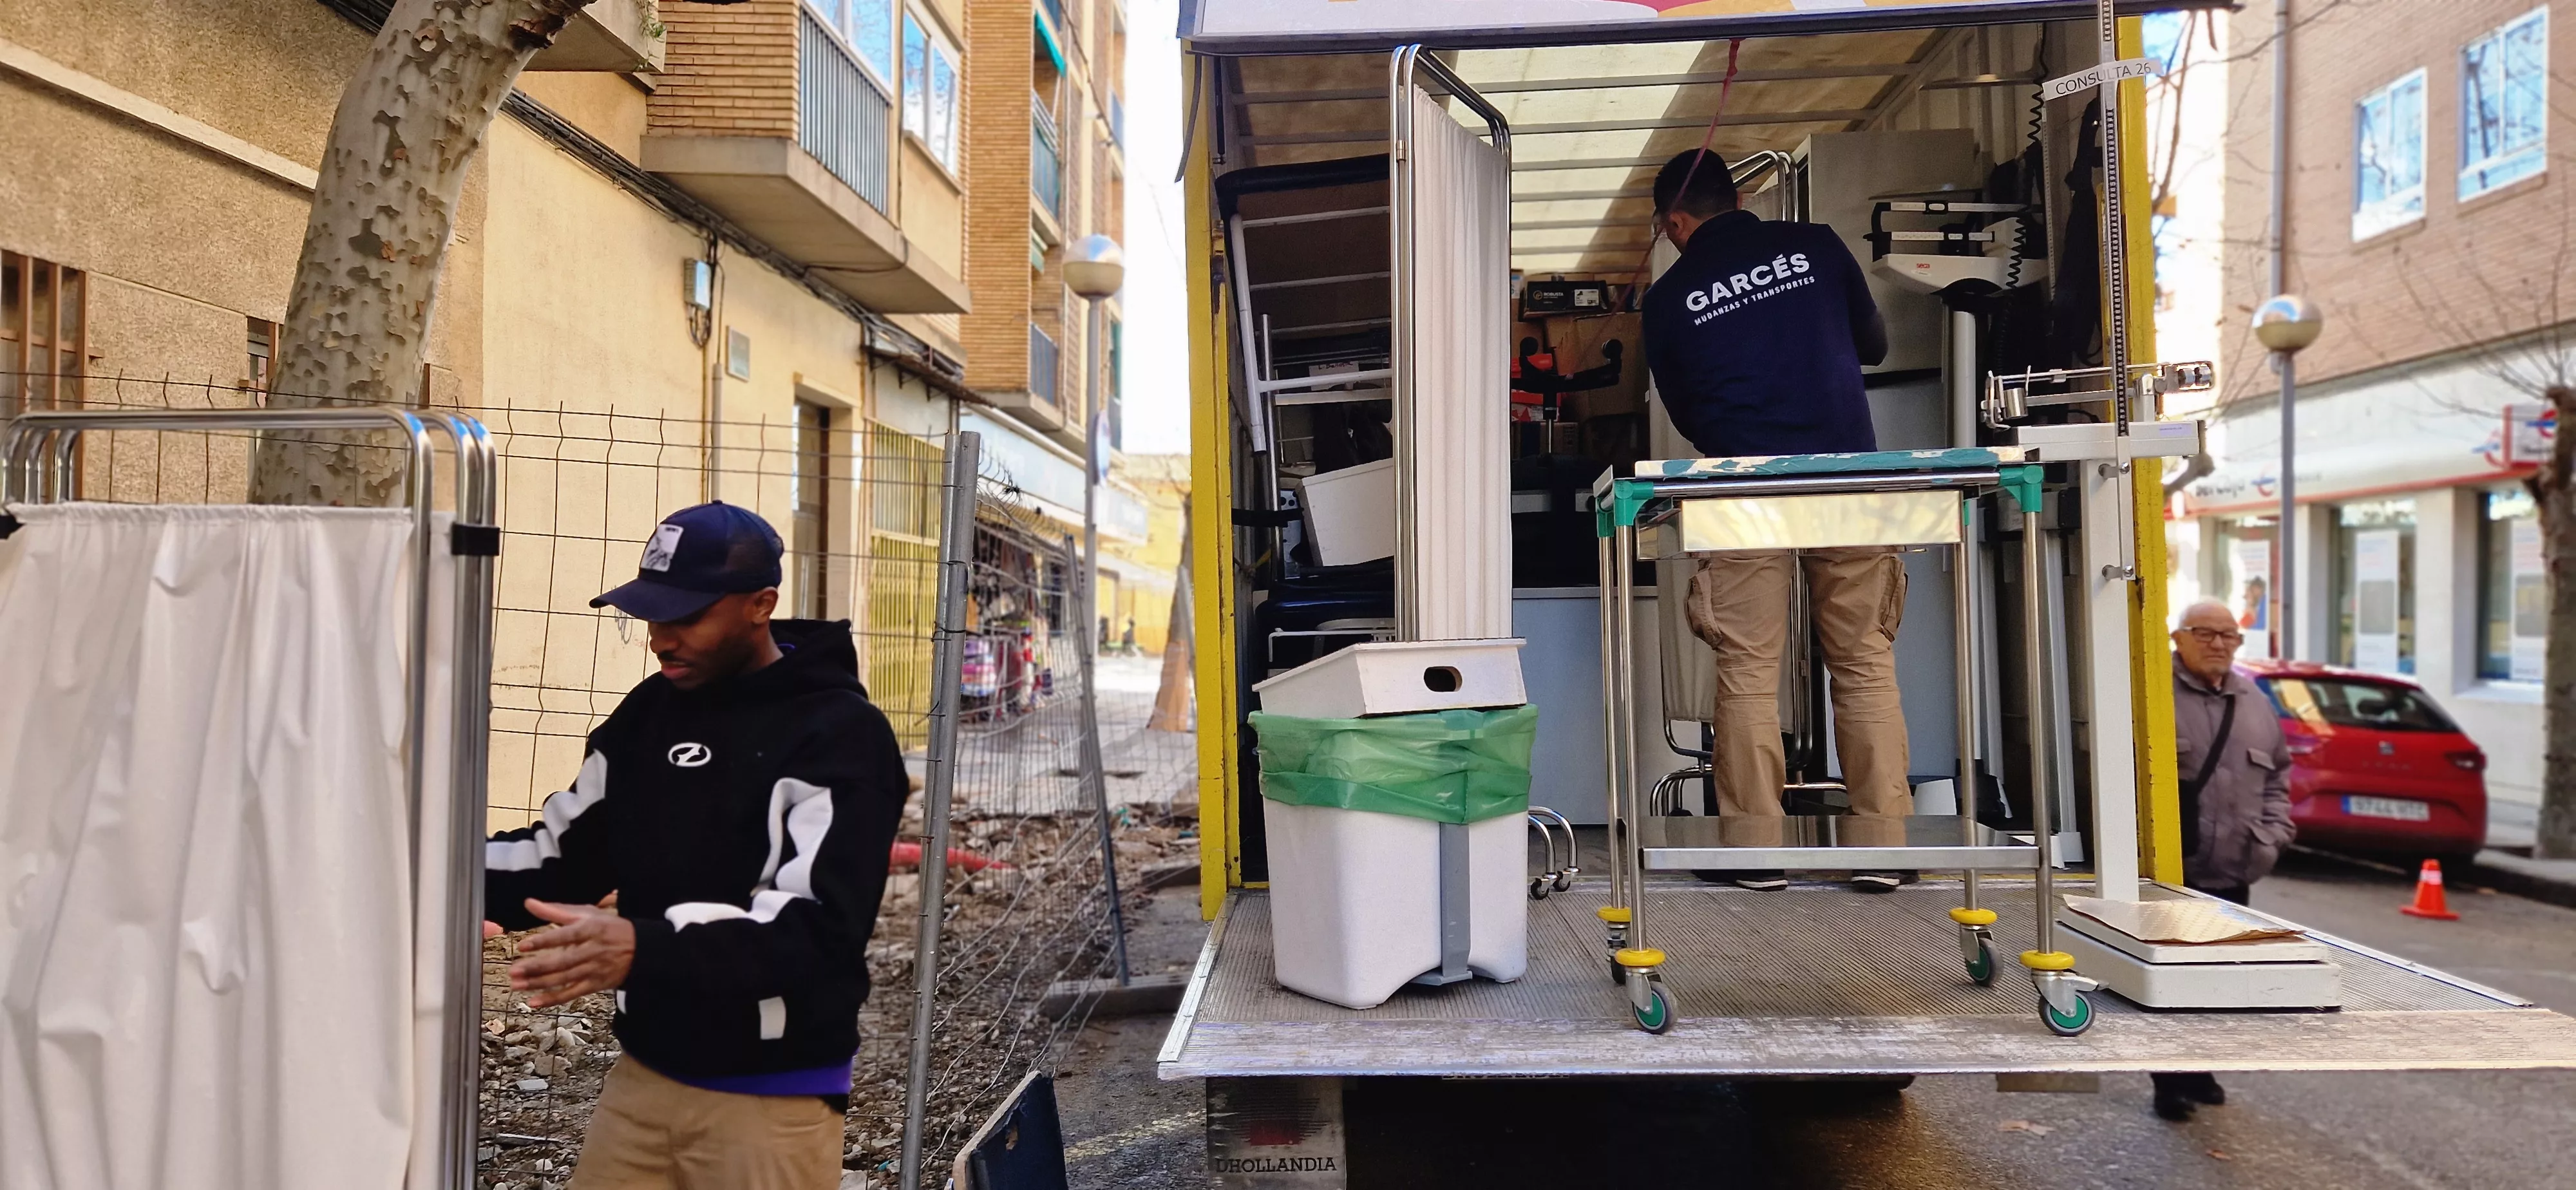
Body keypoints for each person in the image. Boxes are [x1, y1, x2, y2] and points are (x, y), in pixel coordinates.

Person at [482, 501, 909, 1189]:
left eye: (685, 618)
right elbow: (558, 859)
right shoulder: (648, 714)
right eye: (652, 616)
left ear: (759, 605)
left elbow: (815, 930)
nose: (660, 639)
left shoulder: (837, 734)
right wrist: (426, 870)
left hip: (773, 1094)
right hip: (643, 1079)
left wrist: (642, 947)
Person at [1638, 147, 1907, 894]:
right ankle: (1881, 847)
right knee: (1861, 660)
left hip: (1742, 487)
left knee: (1748, 670)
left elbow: (1689, 414)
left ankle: (1755, 852)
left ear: (1676, 222)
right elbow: (1874, 345)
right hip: (1848, 479)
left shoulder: (1666, 301)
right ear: (1738, 199)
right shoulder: (1816, 247)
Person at [2154, 598, 2297, 1122]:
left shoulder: (2254, 700)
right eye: (2205, 633)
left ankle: (2203, 1067)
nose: (2218, 644)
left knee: (2220, 977)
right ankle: (2168, 1082)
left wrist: (2273, 837)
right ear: (2178, 638)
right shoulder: (2154, 692)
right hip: (2173, 873)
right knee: (2169, 977)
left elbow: (2279, 774)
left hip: (2235, 869)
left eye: (2228, 636)